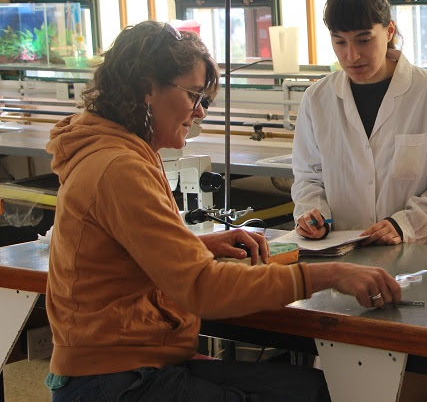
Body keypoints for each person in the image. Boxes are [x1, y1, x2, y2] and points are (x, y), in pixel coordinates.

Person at [44, 20, 402, 401]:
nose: (199, 113)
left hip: (134, 361)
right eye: (194, 96)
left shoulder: (118, 151)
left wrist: (201, 244)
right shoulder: (119, 168)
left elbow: (127, 255)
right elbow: (203, 289)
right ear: (147, 87)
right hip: (115, 379)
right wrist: (328, 275)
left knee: (311, 387)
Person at [292, 0, 427, 245]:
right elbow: (308, 177)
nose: (352, 55)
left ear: (389, 30)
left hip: (416, 254)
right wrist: (314, 215)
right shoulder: (317, 100)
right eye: (340, 42)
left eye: (364, 40)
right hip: (343, 253)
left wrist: (405, 225)